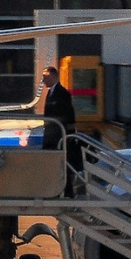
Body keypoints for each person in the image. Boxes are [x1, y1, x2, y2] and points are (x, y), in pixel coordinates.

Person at [37, 66, 79, 195]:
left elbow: (68, 116)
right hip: (52, 135)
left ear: (54, 77)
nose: (43, 81)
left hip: (58, 137)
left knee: (61, 164)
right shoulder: (51, 93)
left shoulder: (62, 93)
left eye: (46, 78)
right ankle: (57, 190)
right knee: (53, 164)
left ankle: (67, 192)